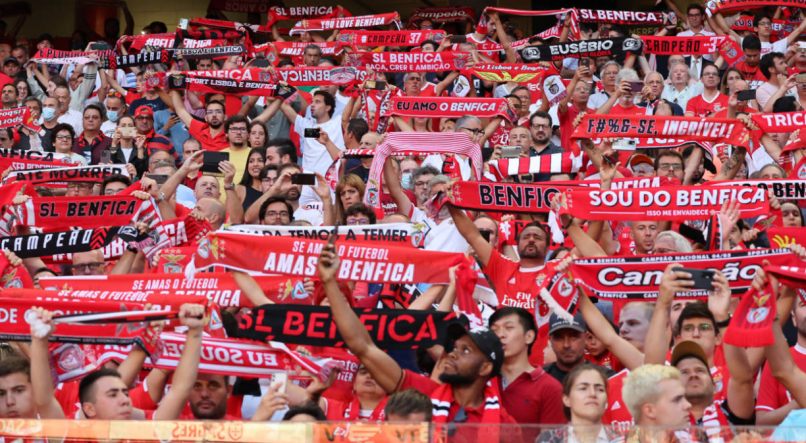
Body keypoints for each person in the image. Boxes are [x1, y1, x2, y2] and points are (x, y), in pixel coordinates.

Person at [316, 240, 520, 439]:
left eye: (466, 350)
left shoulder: (506, 426)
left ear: (485, 368)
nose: (454, 353)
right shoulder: (423, 394)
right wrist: (330, 284)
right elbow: (363, 347)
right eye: (455, 347)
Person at [490, 307, 565, 426]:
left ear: (529, 336)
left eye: (509, 328)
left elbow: (551, 437)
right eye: (494, 330)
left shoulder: (549, 388)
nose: (500, 335)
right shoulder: (482, 380)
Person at [535, 365, 620, 443]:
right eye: (583, 388)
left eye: (600, 389)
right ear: (566, 399)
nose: (593, 394)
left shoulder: (622, 439)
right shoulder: (549, 439)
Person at [236, 148, 266, 212]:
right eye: (251, 161)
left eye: (260, 160)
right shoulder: (239, 189)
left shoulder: (275, 190)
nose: (255, 164)